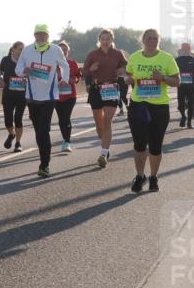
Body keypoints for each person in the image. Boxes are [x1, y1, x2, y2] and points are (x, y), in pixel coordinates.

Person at [124, 29, 180, 192]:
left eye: (155, 38)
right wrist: (128, 79)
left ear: (158, 40)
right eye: (148, 38)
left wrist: (162, 78)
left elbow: (177, 81)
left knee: (155, 146)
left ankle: (153, 176)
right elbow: (128, 75)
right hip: (138, 105)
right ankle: (140, 176)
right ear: (143, 40)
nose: (151, 41)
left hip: (159, 107)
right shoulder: (134, 57)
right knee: (139, 144)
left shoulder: (167, 58)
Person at [15, 24, 69, 178]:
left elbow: (64, 65)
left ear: (48, 36)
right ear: (34, 36)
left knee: (43, 130)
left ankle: (44, 164)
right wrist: (23, 72)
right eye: (38, 34)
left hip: (49, 96)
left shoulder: (55, 50)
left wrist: (64, 79)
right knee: (39, 132)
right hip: (32, 97)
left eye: (43, 34)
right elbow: (18, 69)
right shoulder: (27, 50)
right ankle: (44, 157)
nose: (40, 37)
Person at [83, 29, 128, 168]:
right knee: (99, 123)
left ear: (112, 40)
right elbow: (84, 71)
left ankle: (103, 152)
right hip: (96, 89)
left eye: (108, 38)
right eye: (103, 38)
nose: (105, 41)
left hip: (111, 88)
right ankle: (105, 146)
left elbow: (128, 66)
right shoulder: (93, 54)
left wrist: (123, 70)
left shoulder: (117, 53)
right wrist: (91, 68)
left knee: (107, 121)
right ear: (99, 40)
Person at [0, 41, 26, 153]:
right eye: (19, 49)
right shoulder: (5, 60)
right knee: (7, 120)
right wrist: (0, 80)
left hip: (21, 95)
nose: (21, 51)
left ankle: (18, 143)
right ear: (13, 49)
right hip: (8, 94)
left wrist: (26, 78)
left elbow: (30, 74)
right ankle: (11, 134)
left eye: (23, 49)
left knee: (18, 119)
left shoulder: (25, 62)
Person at [54, 41, 82, 153]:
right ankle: (65, 139)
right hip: (57, 96)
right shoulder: (53, 63)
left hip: (70, 95)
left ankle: (67, 141)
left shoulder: (72, 63)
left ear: (68, 51)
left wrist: (74, 79)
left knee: (66, 117)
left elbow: (77, 77)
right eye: (60, 50)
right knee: (61, 119)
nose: (63, 52)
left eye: (65, 50)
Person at [174, 43, 194, 129]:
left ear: (190, 49)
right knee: (180, 105)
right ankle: (183, 116)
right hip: (181, 85)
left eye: (187, 48)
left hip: (192, 85)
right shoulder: (177, 60)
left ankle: (189, 122)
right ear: (181, 49)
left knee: (191, 104)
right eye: (184, 48)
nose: (186, 50)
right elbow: (170, 71)